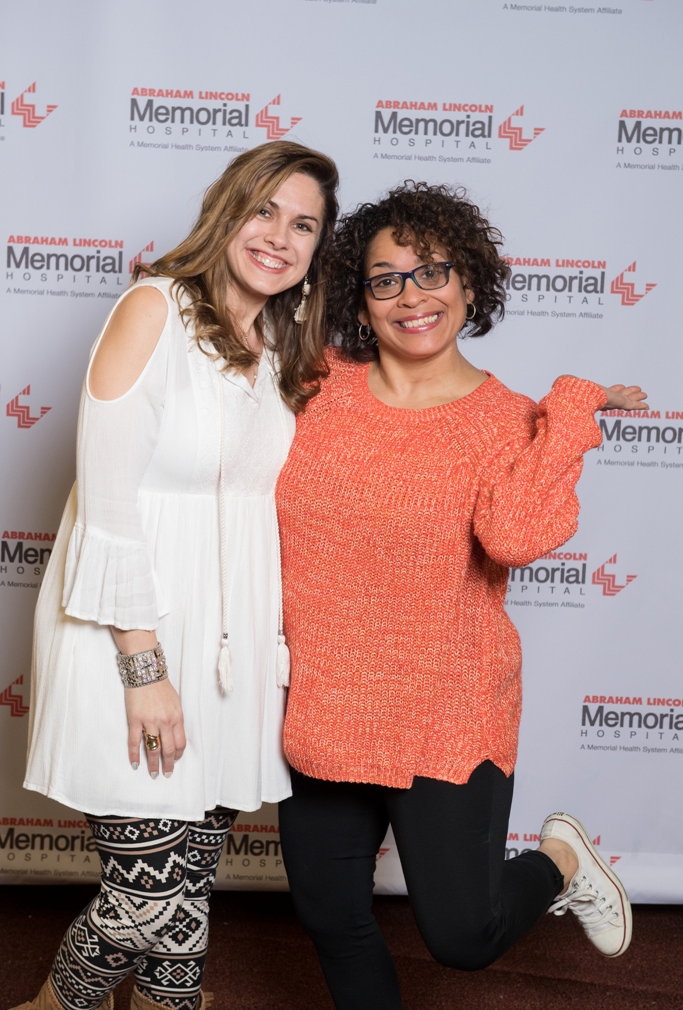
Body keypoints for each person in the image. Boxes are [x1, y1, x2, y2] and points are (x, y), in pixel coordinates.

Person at [275, 181, 645, 1010]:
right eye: (385, 279)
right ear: (359, 302)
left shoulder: (506, 420)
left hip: (445, 707)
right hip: (327, 703)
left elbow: (514, 538)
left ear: (469, 285)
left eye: (433, 271)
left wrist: (569, 413)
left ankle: (561, 861)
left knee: (463, 938)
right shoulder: (315, 386)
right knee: (329, 914)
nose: (411, 295)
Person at [17, 141, 339, 1010]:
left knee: (184, 891)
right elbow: (109, 505)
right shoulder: (152, 309)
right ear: (227, 210)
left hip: (229, 651)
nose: (278, 236)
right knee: (146, 899)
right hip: (132, 632)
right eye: (264, 210)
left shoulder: (280, 346)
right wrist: (144, 668)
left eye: (303, 225)